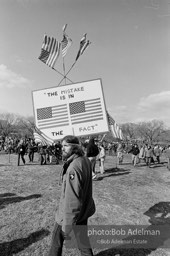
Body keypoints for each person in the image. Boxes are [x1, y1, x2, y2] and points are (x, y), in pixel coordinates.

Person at [48, 135, 95, 256]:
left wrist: (67, 224)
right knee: (83, 244)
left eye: (66, 146)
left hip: (67, 214)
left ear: (74, 147)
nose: (62, 148)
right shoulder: (84, 160)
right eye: (62, 145)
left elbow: (72, 199)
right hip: (83, 212)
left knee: (55, 243)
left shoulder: (74, 167)